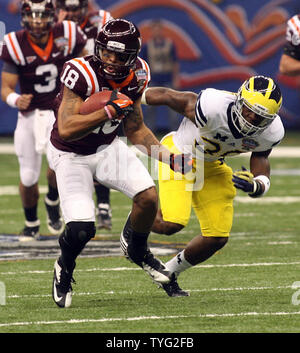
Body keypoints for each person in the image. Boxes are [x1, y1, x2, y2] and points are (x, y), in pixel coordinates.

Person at [49, 18, 192, 308]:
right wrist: (106, 111)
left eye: (120, 55)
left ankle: (137, 248)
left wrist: (168, 158)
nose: (111, 60)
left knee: (149, 199)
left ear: (133, 57)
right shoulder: (80, 72)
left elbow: (136, 129)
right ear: (98, 48)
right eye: (107, 52)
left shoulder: (138, 74)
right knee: (81, 229)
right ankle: (64, 266)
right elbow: (65, 128)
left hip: (107, 147)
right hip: (70, 154)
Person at [141, 75, 284, 297]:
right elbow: (169, 96)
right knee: (171, 223)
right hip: (180, 155)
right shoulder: (212, 107)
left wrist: (257, 185)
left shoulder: (271, 132)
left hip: (212, 165)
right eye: (248, 110)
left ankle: (168, 272)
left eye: (260, 117)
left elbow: (261, 161)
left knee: (217, 236)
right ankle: (133, 226)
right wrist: (132, 96)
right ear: (238, 100)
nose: (251, 118)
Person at [0, 0, 87, 239]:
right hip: (29, 115)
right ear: (25, 17)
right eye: (33, 16)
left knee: (58, 166)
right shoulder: (14, 43)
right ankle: (31, 223)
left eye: (42, 16)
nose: (37, 21)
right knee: (27, 175)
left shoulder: (68, 33)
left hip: (61, 111)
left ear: (52, 15)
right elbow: (6, 87)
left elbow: (86, 64)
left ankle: (52, 199)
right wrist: (15, 99)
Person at [55, 0, 114, 230]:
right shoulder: (57, 28)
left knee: (105, 145)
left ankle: (104, 205)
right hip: (69, 91)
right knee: (65, 146)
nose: (71, 12)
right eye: (67, 8)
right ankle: (60, 200)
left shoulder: (101, 21)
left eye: (76, 7)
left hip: (99, 90)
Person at [140, 19, 180, 134]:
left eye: (159, 29)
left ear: (162, 30)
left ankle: (175, 133)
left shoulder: (169, 44)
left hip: (167, 78)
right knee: (150, 108)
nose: (157, 32)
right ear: (152, 31)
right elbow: (143, 64)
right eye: (154, 29)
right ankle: (148, 132)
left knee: (174, 108)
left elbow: (175, 62)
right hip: (154, 79)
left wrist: (175, 78)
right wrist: (144, 81)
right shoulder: (147, 46)